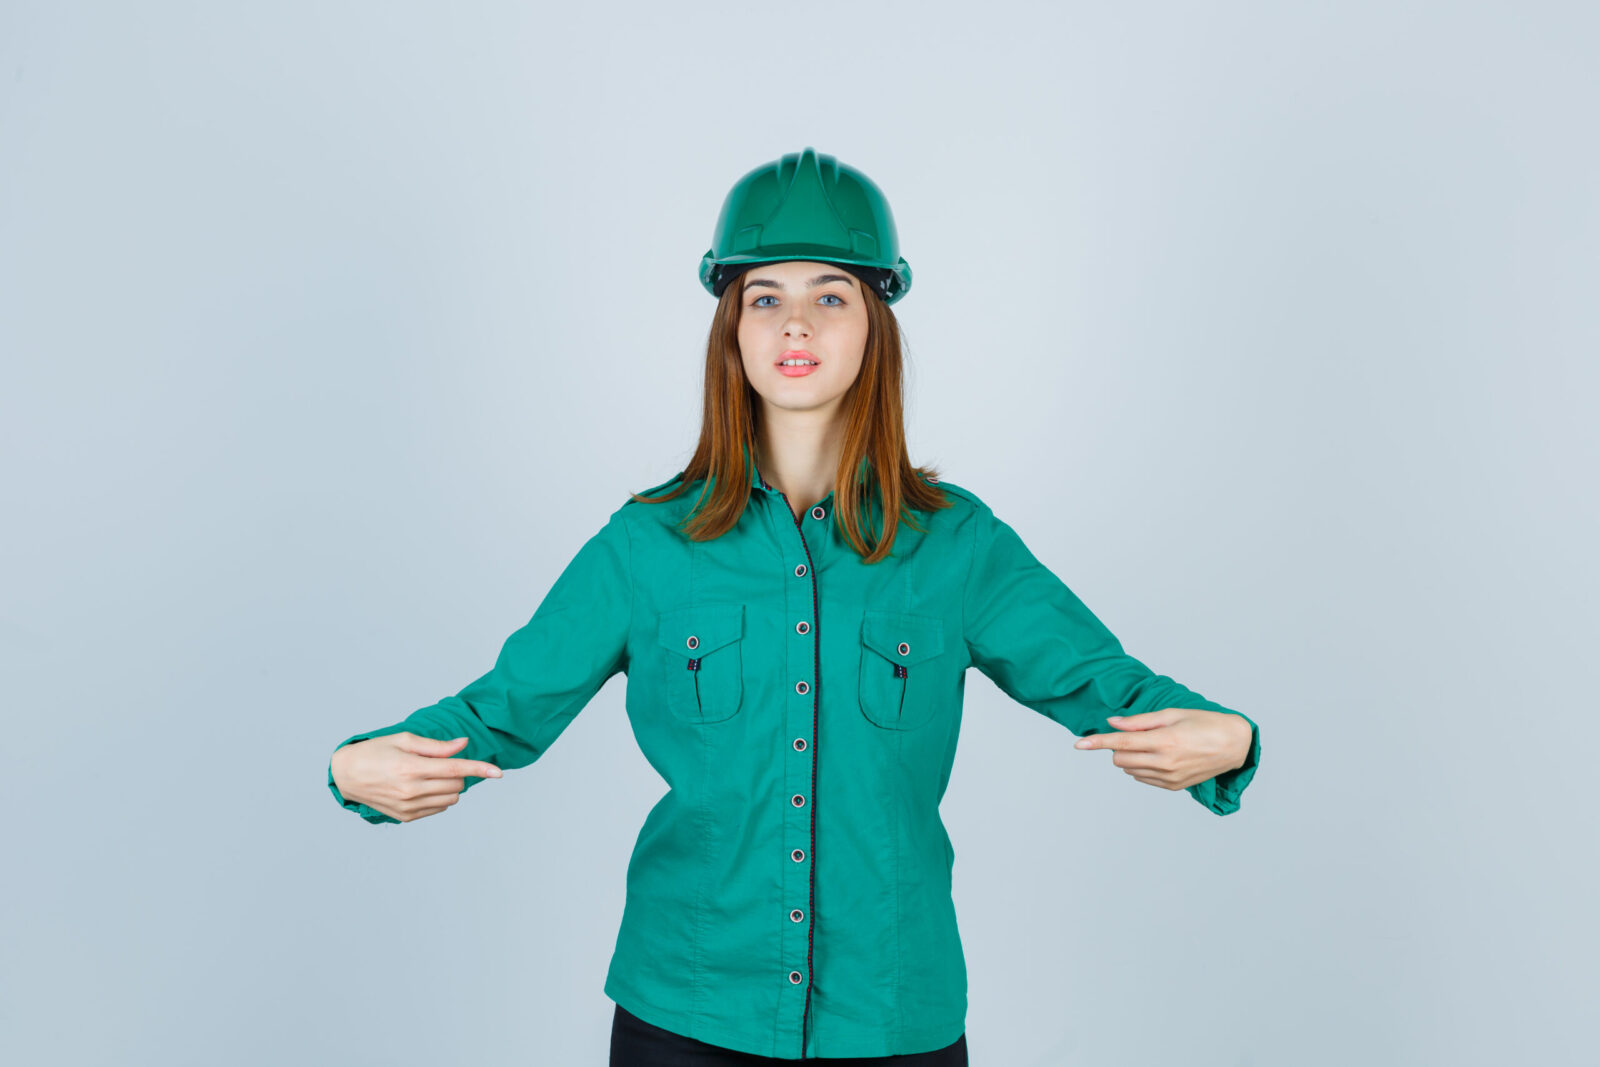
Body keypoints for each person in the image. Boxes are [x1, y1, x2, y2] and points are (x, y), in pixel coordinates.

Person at [327, 147, 1261, 1065]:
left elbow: (1105, 684)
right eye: (765, 298)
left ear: (875, 322)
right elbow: (503, 709)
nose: (797, 324)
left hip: (893, 1018)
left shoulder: (958, 545)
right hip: (685, 1013)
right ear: (732, 328)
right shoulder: (646, 545)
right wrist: (357, 765)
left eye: (831, 295)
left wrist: (1230, 738)